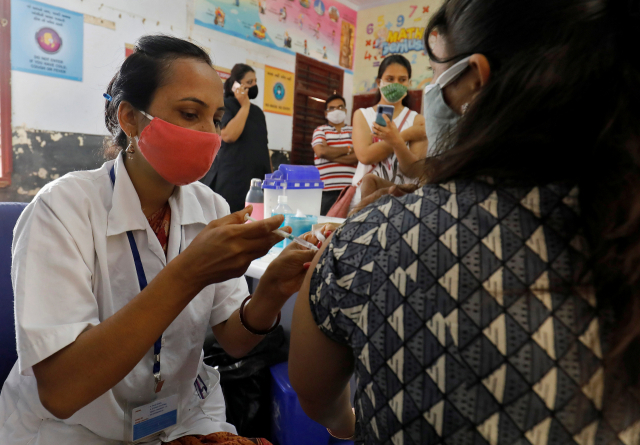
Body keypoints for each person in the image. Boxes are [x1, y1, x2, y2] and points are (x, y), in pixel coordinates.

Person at [289, 0, 640, 443]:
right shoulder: (618, 221)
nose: (421, 86)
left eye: (436, 70)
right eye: (391, 80)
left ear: (472, 79)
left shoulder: (372, 237)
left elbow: (316, 393)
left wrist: (349, 425)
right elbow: (369, 157)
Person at [0, 35, 321, 445]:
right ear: (130, 118)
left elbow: (236, 341)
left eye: (216, 119)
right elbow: (63, 392)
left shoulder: (212, 206)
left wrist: (273, 289)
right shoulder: (62, 209)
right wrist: (187, 273)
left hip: (182, 417)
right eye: (190, 114)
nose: (209, 135)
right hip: (75, 428)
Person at [351, 54, 427, 210]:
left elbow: (413, 170)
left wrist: (395, 140)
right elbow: (365, 156)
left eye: (402, 79)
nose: (396, 84)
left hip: (401, 200)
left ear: (409, 83)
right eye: (390, 79)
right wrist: (404, 136)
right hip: (362, 199)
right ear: (379, 82)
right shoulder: (363, 115)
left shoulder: (417, 120)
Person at [207, 64, 271, 213]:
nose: (254, 86)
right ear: (236, 85)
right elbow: (229, 135)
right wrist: (245, 106)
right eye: (249, 82)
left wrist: (270, 176)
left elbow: (264, 147)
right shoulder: (225, 105)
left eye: (255, 81)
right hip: (233, 179)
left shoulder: (258, 113)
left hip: (257, 180)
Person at [311, 94, 357, 215]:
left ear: (346, 111)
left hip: (350, 191)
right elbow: (321, 151)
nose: (336, 111)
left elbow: (359, 156)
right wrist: (349, 149)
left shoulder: (355, 131)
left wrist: (330, 154)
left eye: (340, 107)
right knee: (326, 229)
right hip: (326, 191)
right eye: (332, 108)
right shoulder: (320, 130)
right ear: (326, 113)